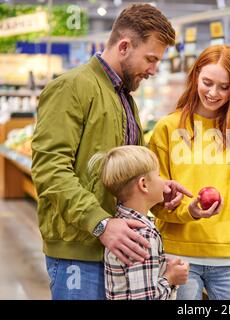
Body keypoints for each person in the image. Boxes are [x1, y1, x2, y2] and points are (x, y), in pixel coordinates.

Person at [31, 4, 192, 300]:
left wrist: (156, 190)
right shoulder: (72, 87)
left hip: (116, 251)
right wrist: (100, 223)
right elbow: (49, 169)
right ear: (124, 46)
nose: (154, 70)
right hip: (79, 252)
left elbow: (127, 173)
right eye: (150, 59)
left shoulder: (124, 99)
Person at [149, 45, 230, 300]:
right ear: (195, 77)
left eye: (224, 87)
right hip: (178, 255)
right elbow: (155, 201)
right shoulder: (168, 129)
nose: (213, 93)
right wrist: (188, 211)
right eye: (207, 82)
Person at [90, 145, 189, 300]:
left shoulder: (122, 224)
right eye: (159, 175)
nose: (164, 183)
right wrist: (170, 278)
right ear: (143, 184)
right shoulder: (142, 234)